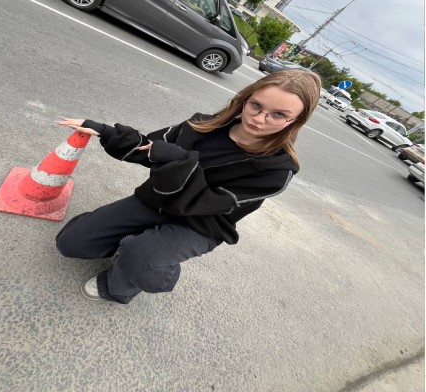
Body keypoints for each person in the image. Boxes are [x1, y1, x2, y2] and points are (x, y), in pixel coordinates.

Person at [55, 70, 321, 304]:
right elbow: (150, 147)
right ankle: (134, 248)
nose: (260, 119)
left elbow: (205, 201)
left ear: (295, 121)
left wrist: (177, 159)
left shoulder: (277, 170)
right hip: (154, 201)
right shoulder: (202, 125)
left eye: (278, 115)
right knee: (71, 243)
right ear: (245, 99)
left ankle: (138, 276)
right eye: (256, 106)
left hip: (199, 224)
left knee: (141, 258)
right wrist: (103, 130)